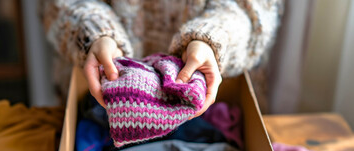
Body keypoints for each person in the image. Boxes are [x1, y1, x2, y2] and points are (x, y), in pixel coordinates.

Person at [40, 0, 284, 115]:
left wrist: (211, 38)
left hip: (217, 95)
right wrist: (95, 32)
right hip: (99, 92)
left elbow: (253, 9)